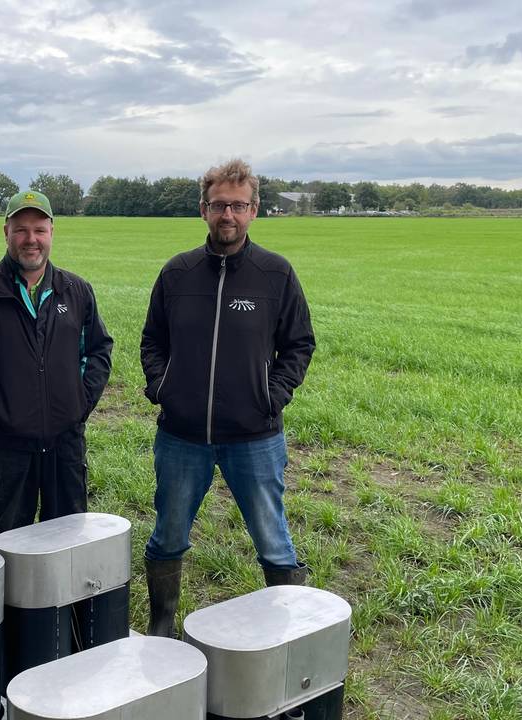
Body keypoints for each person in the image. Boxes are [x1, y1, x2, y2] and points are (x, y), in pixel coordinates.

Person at [140, 159, 316, 637]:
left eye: (238, 205)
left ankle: (285, 639)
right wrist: (162, 389)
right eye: (219, 205)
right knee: (168, 537)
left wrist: (272, 395)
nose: (228, 215)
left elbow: (299, 343)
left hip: (255, 437)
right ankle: (161, 625)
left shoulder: (274, 274)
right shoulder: (178, 273)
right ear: (203, 210)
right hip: (182, 437)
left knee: (274, 542)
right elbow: (152, 340)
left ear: (254, 211)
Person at [0, 189, 114, 548]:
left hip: (65, 445)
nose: (31, 240)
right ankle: (5, 607)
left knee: (68, 539)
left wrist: (77, 406)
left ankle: (61, 607)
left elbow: (98, 350)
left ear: (52, 232)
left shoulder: (77, 291)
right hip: (7, 446)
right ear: (5, 232)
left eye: (39, 230)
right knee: (4, 541)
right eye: (21, 230)